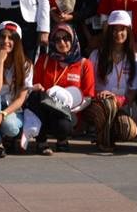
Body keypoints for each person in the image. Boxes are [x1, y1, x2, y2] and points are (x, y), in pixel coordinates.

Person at [25, 24, 94, 154]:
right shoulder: (44, 60)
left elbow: (88, 97)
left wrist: (70, 110)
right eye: (57, 39)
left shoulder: (85, 64)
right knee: (35, 96)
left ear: (73, 39)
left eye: (66, 38)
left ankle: (62, 140)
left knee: (63, 125)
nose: (62, 42)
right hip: (46, 108)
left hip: (68, 112)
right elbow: (33, 86)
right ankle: (41, 142)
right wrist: (36, 88)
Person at [85, 11, 137, 152]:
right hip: (97, 104)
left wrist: (117, 99)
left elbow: (133, 93)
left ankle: (107, 133)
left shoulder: (135, 59)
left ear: (128, 31)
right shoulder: (96, 55)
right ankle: (104, 141)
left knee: (128, 131)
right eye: (114, 29)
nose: (118, 33)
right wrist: (103, 97)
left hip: (119, 104)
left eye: (122, 29)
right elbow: (89, 86)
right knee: (107, 103)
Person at [0, 21, 33, 157]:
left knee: (10, 128)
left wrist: (2, 114)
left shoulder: (26, 65)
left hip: (13, 109)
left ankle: (7, 136)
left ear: (17, 42)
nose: (6, 41)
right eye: (2, 37)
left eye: (11, 38)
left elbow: (21, 99)